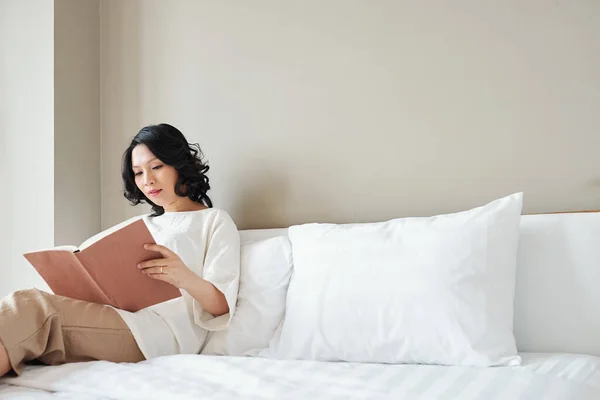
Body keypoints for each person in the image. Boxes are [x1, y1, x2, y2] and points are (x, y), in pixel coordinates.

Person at [0, 123, 241, 377]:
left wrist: (184, 277)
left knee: (28, 306)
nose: (147, 180)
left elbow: (222, 305)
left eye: (156, 167)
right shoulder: (141, 225)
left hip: (159, 333)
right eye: (138, 173)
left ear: (179, 164)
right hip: (118, 318)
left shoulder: (213, 220)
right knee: (24, 315)